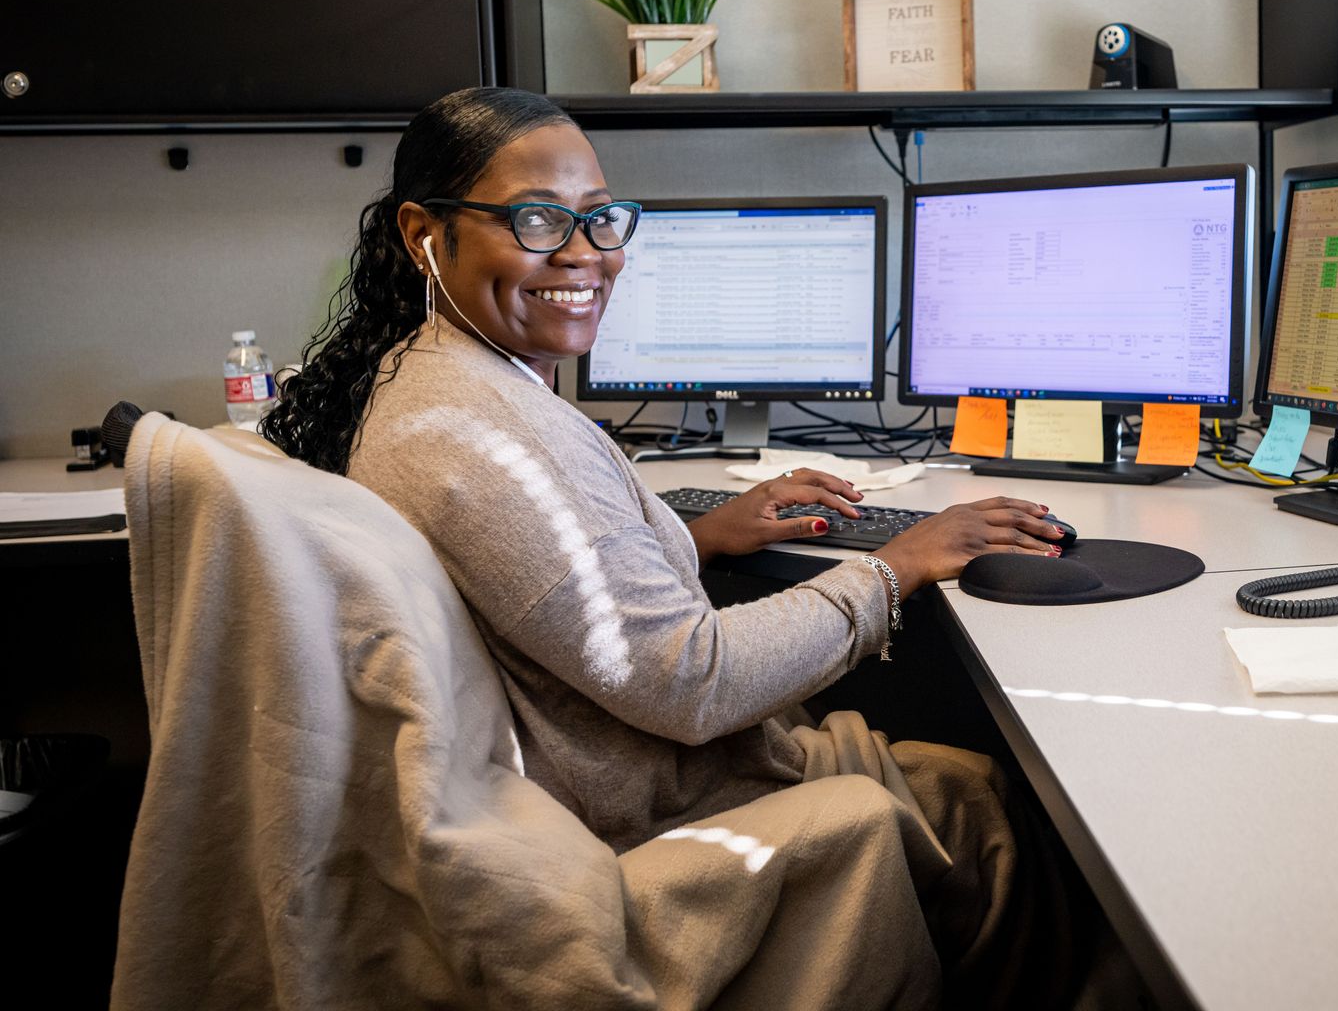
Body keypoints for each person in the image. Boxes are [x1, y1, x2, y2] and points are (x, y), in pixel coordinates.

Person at [263, 86, 1086, 1005]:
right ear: (426, 234)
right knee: (996, 811)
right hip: (647, 811)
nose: (583, 255)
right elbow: (691, 683)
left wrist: (687, 538)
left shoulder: (443, 381)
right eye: (536, 221)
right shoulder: (476, 435)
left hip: (621, 773)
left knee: (967, 785)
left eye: (601, 219)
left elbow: (549, 580)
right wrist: (895, 568)